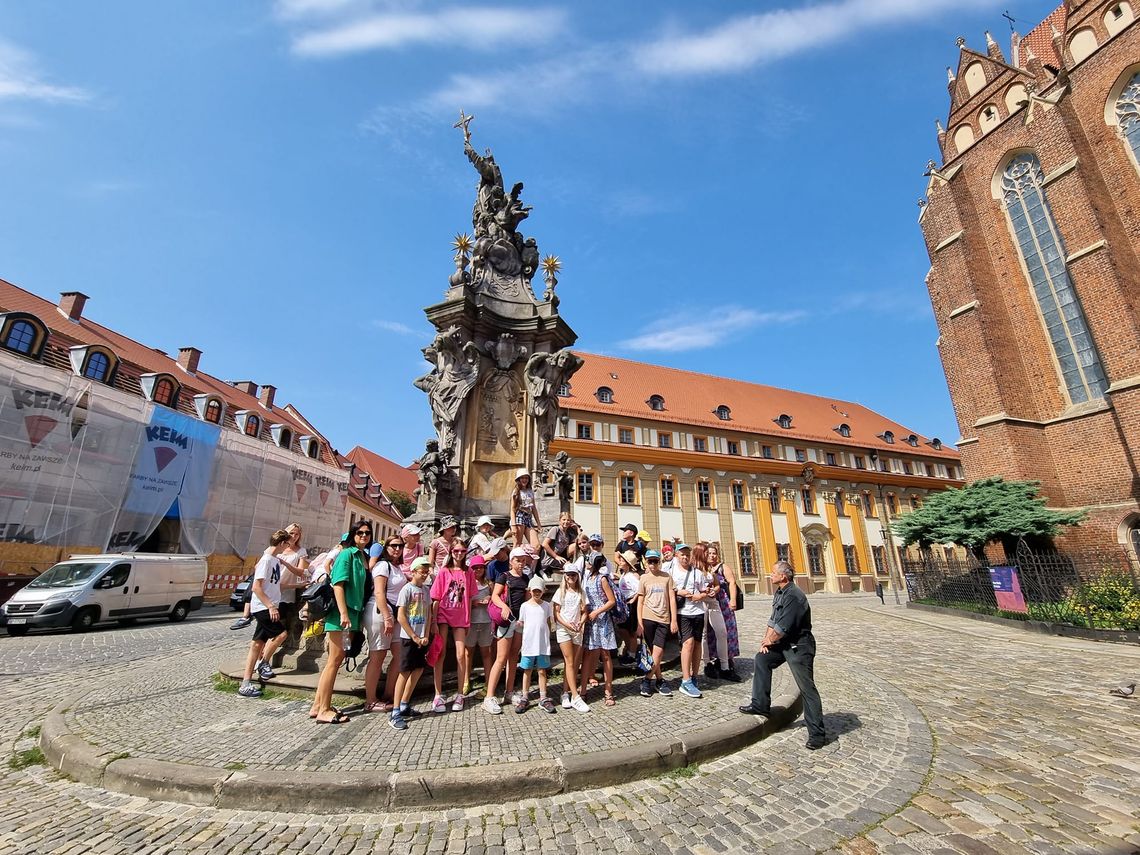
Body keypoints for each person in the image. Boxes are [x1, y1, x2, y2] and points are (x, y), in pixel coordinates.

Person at [740, 560, 827, 750]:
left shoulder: (794, 596)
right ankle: (760, 704)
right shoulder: (780, 592)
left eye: (773, 573)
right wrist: (765, 642)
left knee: (806, 688)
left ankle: (817, 734)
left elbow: (783, 626)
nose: (770, 575)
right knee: (762, 659)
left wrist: (770, 640)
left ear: (784, 576)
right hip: (782, 644)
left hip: (799, 646)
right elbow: (773, 621)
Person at [311, 522, 371, 723]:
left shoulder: (362, 556)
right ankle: (324, 710)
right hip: (342, 614)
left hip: (353, 612)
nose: (364, 535)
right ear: (353, 535)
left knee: (334, 661)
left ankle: (317, 705)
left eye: (367, 533)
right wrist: (344, 613)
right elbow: (337, 584)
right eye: (360, 532)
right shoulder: (347, 554)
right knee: (334, 662)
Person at [239, 529, 301, 698]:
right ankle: (263, 663)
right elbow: (256, 587)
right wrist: (271, 607)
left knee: (257, 644)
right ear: (281, 543)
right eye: (287, 543)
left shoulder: (274, 560)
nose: (288, 547)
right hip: (263, 607)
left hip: (268, 605)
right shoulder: (266, 560)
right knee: (281, 634)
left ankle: (245, 683)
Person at [482, 547, 530, 714]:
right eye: (518, 560)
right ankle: (489, 697)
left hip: (519, 620)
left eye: (523, 560)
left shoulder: (526, 577)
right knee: (501, 658)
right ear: (511, 561)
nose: (521, 563)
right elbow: (495, 595)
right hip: (506, 619)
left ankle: (509, 692)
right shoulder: (504, 576)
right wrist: (503, 607)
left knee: (513, 656)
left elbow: (526, 598)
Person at [390, 556, 434, 730]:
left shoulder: (426, 591)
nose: (425, 575)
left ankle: (404, 703)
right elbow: (400, 616)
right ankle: (394, 711)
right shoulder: (406, 590)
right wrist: (413, 636)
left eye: (426, 572)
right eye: (422, 572)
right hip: (409, 638)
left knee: (418, 669)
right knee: (405, 672)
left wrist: (426, 634)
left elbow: (429, 614)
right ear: (413, 572)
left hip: (422, 637)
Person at [429, 541, 474, 712]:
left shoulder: (468, 572)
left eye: (463, 550)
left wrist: (468, 619)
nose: (459, 553)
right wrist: (433, 621)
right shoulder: (443, 571)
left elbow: (469, 597)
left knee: (461, 654)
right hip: (443, 614)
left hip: (461, 616)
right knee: (440, 652)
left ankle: (460, 694)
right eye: (456, 550)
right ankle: (438, 694)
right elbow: (436, 598)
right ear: (451, 551)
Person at [363, 534, 404, 713]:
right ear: (386, 547)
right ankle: (370, 700)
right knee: (377, 657)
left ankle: (389, 694)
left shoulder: (397, 567)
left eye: (400, 546)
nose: (397, 549)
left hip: (394, 613)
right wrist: (387, 616)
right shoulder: (382, 565)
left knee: (400, 654)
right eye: (393, 545)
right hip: (380, 612)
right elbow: (379, 593)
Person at [670, 543, 711, 699]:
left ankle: (694, 676)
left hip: (698, 612)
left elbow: (703, 590)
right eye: (682, 554)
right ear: (677, 556)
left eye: (687, 554)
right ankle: (685, 680)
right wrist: (680, 591)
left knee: (698, 644)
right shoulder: (672, 572)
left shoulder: (697, 573)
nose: (685, 557)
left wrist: (700, 595)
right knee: (688, 644)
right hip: (683, 612)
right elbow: (670, 590)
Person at [637, 549, 677, 698]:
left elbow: (672, 599)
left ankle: (647, 679)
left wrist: (673, 620)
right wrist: (639, 623)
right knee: (655, 654)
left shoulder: (667, 577)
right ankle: (659, 680)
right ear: (646, 562)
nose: (653, 564)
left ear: (659, 562)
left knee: (658, 652)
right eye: (650, 561)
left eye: (655, 561)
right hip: (648, 618)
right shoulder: (644, 578)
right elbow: (640, 602)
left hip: (663, 619)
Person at [581, 553, 618, 707]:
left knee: (606, 654)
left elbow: (611, 601)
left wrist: (597, 611)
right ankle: (583, 690)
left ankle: (608, 691)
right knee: (588, 654)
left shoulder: (602, 579)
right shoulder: (587, 577)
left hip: (602, 620)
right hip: (591, 620)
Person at [552, 564, 590, 712]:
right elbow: (557, 613)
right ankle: (575, 696)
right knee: (569, 661)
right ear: (565, 576)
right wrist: (567, 624)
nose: (570, 577)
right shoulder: (560, 592)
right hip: (564, 629)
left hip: (577, 629)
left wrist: (580, 623)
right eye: (568, 575)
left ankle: (565, 692)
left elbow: (585, 611)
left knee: (574, 663)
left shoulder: (581, 592)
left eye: (573, 575)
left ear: (577, 576)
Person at [515, 576, 555, 713]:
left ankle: (543, 697)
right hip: (528, 645)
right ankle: (525, 696)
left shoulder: (546, 606)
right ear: (530, 590)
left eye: (539, 591)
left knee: (542, 671)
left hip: (542, 644)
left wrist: (547, 638)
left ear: (544, 591)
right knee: (527, 670)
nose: (537, 593)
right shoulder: (524, 606)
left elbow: (548, 623)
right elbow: (522, 623)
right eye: (534, 591)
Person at [704, 543, 742, 682]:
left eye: (714, 553)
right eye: (709, 553)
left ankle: (727, 659)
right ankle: (715, 659)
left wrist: (733, 601)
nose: (712, 556)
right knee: (710, 633)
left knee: (726, 631)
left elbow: (732, 582)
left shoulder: (722, 567)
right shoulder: (704, 567)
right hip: (709, 603)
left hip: (723, 602)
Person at [464, 554, 494, 695]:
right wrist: (473, 603)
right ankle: (465, 681)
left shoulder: (489, 583)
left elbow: (496, 598)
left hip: (486, 621)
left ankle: (489, 682)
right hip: (471, 621)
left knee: (486, 653)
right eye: (475, 568)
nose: (478, 570)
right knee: (467, 653)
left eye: (480, 567)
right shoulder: (468, 583)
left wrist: (489, 598)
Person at [614, 550, 642, 665]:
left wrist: (632, 601)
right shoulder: (625, 575)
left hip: (630, 605)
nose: (620, 561)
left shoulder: (631, 577)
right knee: (623, 629)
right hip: (625, 604)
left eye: (622, 560)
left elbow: (639, 590)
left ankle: (632, 655)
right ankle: (630, 650)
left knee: (631, 632)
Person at [510, 469, 541, 551]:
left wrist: (538, 523)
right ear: (518, 479)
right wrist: (513, 526)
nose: (524, 480)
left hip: (529, 518)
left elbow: (534, 508)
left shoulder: (530, 491)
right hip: (519, 517)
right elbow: (512, 509)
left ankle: (531, 564)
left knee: (536, 546)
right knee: (517, 545)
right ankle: (512, 563)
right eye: (522, 478)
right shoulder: (516, 492)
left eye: (526, 478)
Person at [540, 512, 577, 578]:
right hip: (550, 558)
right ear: (560, 520)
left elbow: (580, 540)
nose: (566, 521)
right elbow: (544, 544)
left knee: (575, 545)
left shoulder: (568, 533)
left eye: (568, 520)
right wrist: (556, 556)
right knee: (569, 567)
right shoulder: (555, 529)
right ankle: (546, 570)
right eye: (564, 519)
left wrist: (577, 529)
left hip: (561, 555)